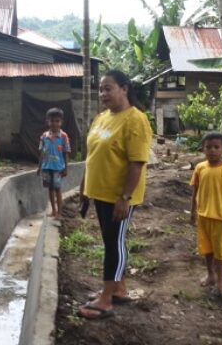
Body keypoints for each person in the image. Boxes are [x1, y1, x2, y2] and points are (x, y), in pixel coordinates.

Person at [78, 69, 152, 320]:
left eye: (108, 88)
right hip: (99, 192)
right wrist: (84, 188)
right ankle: (118, 288)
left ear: (124, 89)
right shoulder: (101, 118)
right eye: (101, 89)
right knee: (110, 241)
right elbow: (92, 156)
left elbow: (137, 162)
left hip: (118, 196)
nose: (103, 94)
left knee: (114, 243)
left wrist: (125, 197)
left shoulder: (135, 119)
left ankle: (107, 299)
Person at [190, 132, 222, 297]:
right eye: (208, 147)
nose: (212, 150)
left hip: (220, 218)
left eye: (216, 147)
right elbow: (195, 191)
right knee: (207, 249)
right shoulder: (200, 168)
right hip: (203, 216)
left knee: (220, 252)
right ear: (203, 149)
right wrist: (193, 213)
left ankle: (220, 281)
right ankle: (210, 275)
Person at [37, 108, 71, 220]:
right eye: (52, 121)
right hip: (46, 167)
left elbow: (66, 152)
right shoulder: (44, 136)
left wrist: (66, 167)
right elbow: (42, 152)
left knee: (58, 189)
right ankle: (53, 210)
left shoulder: (63, 136)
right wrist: (39, 167)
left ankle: (60, 213)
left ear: (61, 122)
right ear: (48, 121)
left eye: (57, 121)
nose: (54, 123)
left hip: (58, 168)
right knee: (50, 189)